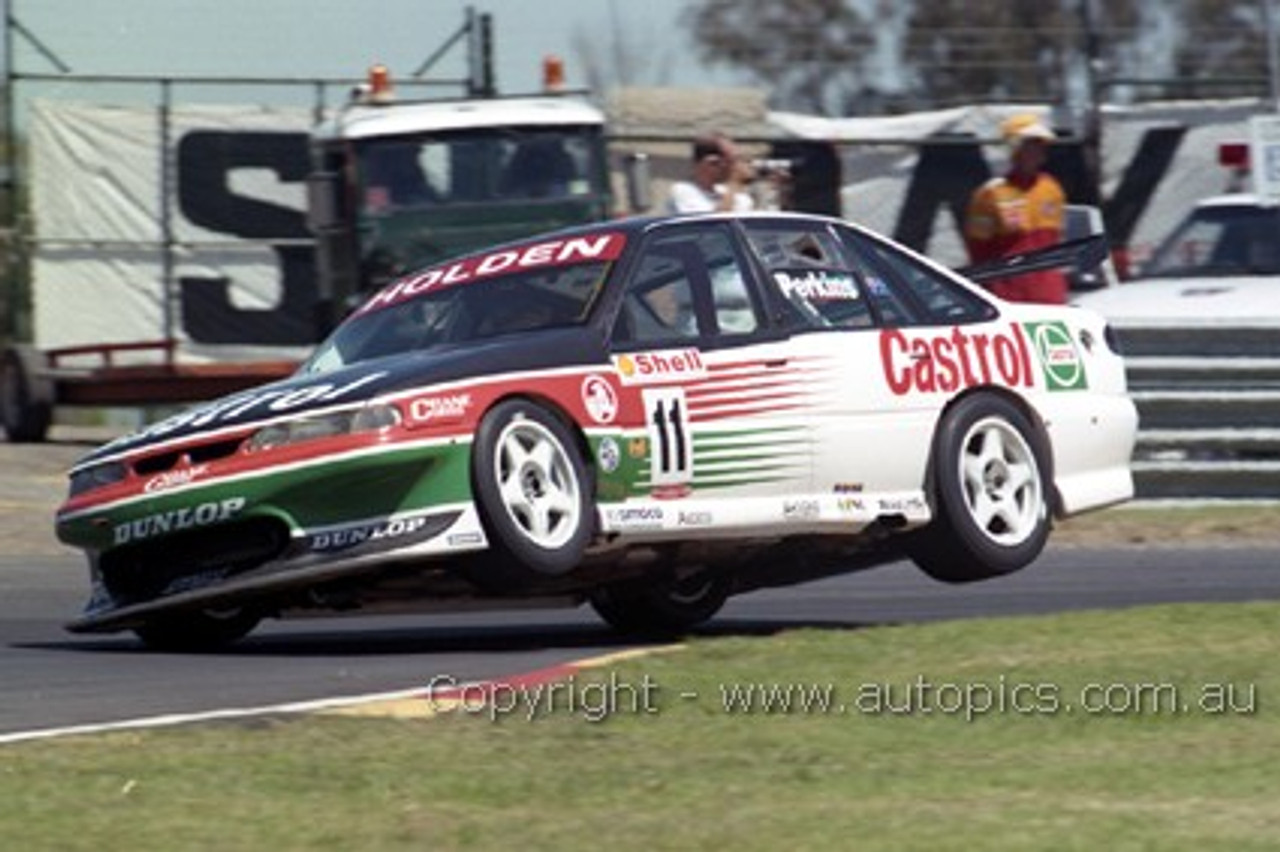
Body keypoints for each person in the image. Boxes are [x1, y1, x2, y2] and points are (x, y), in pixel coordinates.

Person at [963, 113, 1068, 304]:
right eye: (1031, 143)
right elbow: (978, 252)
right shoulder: (990, 194)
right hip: (1009, 297)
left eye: (1041, 143)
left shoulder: (1051, 188)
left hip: (1051, 294)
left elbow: (1055, 242)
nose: (1038, 150)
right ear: (1014, 147)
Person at [667, 133, 756, 214]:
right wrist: (733, 183)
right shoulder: (683, 192)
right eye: (732, 161)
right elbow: (710, 226)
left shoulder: (733, 196)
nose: (736, 166)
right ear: (712, 163)